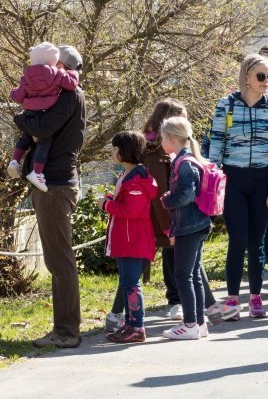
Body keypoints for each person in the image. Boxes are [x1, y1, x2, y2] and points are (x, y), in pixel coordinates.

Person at [207, 54, 268, 320]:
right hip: (234, 180)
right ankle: (231, 299)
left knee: (256, 242)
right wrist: (213, 181)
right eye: (261, 76)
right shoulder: (226, 104)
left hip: (263, 180)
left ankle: (255, 296)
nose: (267, 82)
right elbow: (216, 143)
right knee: (237, 239)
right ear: (247, 76)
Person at [15, 45, 85, 349]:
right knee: (58, 259)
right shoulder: (63, 94)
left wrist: (21, 120)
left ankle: (67, 331)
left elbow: (42, 127)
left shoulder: (68, 96)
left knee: (60, 260)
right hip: (53, 183)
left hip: (54, 186)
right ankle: (64, 327)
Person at [99, 131, 158, 343]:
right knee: (126, 282)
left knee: (132, 283)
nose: (112, 152)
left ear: (126, 152)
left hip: (134, 240)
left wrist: (106, 205)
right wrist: (110, 199)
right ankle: (129, 324)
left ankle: (137, 326)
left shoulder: (137, 180)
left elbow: (131, 211)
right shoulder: (127, 175)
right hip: (126, 239)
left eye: (115, 149)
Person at [160, 117, 214, 340]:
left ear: (172, 139)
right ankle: (199, 323)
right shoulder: (190, 159)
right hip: (199, 224)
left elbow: (187, 195)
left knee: (182, 274)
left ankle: (190, 323)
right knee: (193, 274)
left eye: (163, 137)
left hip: (189, 226)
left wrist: (167, 200)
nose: (161, 141)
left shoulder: (183, 164)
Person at [8, 42, 80, 192]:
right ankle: (36, 171)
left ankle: (15, 160)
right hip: (44, 113)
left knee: (26, 135)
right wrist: (73, 73)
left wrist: (19, 116)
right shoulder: (58, 76)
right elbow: (71, 83)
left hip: (29, 113)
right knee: (42, 141)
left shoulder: (27, 77)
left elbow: (19, 96)